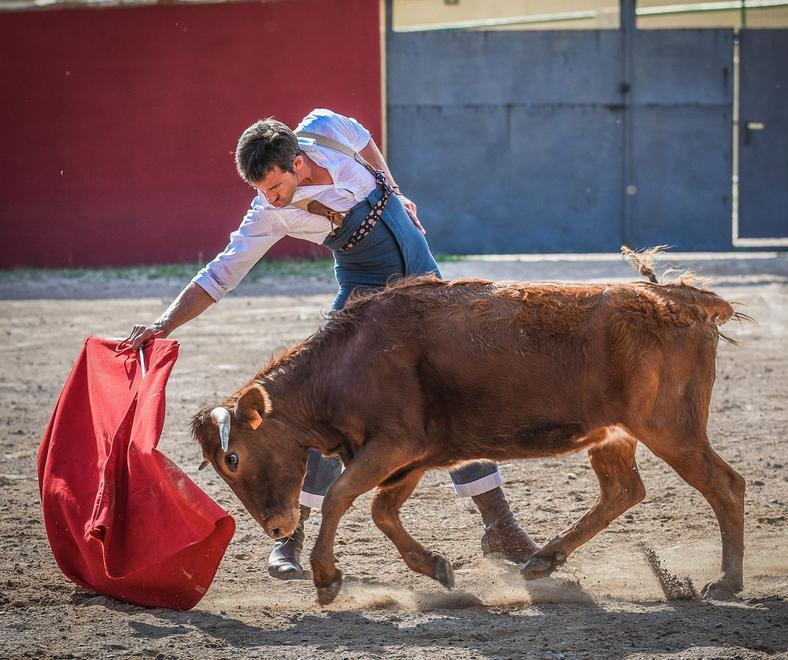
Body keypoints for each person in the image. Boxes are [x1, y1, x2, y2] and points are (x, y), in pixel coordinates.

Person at [125, 108, 537, 580]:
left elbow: (363, 142)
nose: (271, 201)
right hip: (362, 297)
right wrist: (163, 324)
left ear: (299, 161)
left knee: (455, 397)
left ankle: (500, 527)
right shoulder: (268, 214)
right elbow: (221, 273)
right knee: (320, 403)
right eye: (260, 192)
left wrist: (396, 192)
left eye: (275, 187)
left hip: (425, 287)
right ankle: (292, 539)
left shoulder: (324, 126)